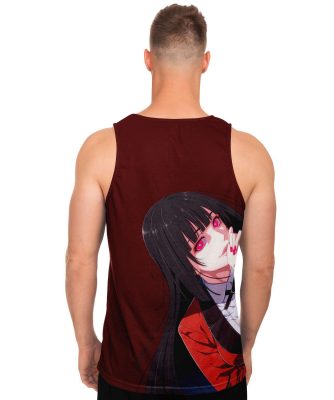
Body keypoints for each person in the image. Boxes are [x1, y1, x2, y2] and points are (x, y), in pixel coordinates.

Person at [65, 4, 276, 399]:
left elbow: (79, 259)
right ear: (206, 61)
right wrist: (245, 346)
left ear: (148, 59)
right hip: (217, 384)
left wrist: (85, 341)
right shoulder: (250, 154)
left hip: (125, 373)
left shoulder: (101, 149)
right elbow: (261, 267)